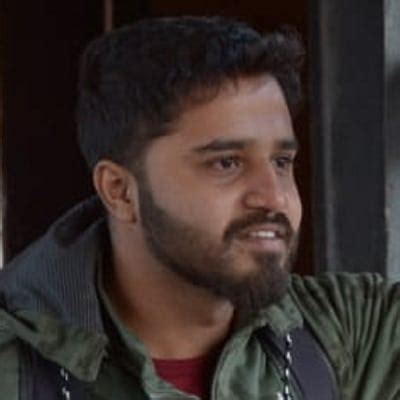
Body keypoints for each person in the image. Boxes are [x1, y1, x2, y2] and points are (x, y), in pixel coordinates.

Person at [0, 15, 399, 400]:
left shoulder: (347, 332)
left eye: (281, 162)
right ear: (120, 191)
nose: (275, 197)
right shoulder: (15, 365)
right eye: (226, 163)